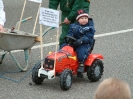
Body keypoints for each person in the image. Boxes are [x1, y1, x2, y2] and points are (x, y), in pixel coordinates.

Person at [67, 9, 95, 78]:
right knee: (65, 48)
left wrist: (82, 40)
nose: (84, 20)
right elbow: (70, 33)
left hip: (85, 43)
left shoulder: (90, 28)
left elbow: (89, 37)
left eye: (86, 18)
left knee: (81, 51)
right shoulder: (73, 26)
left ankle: (81, 64)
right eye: (82, 18)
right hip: (74, 41)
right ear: (78, 20)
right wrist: (69, 37)